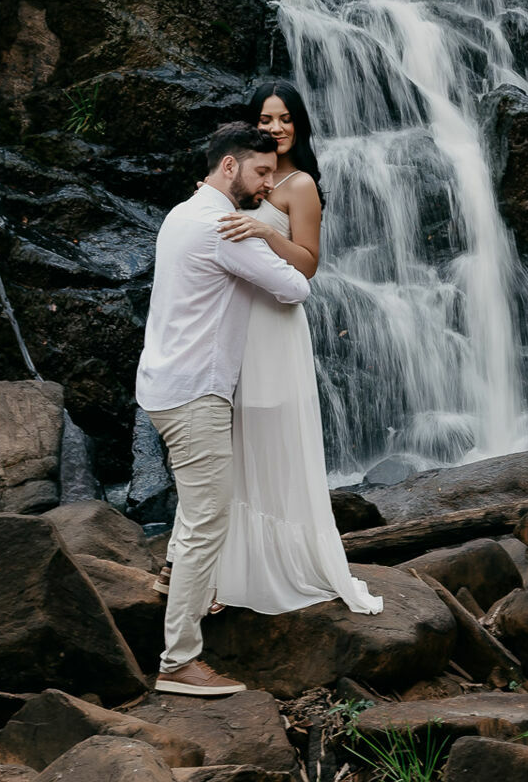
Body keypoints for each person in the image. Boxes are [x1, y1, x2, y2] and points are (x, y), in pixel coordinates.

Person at [135, 123, 312, 697]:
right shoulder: (222, 227)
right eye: (261, 172)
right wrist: (265, 234)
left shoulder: (180, 214)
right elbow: (294, 288)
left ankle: (178, 583)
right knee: (208, 516)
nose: (268, 186)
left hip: (166, 385)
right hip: (194, 393)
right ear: (230, 167)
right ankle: (179, 660)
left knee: (198, 506)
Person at [213, 79, 384, 616]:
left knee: (273, 431)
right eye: (266, 119)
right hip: (239, 321)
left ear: (298, 124)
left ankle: (284, 562)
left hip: (278, 322)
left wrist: (264, 234)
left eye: (285, 118)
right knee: (239, 438)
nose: (276, 128)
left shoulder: (300, 185)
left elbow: (309, 263)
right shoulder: (248, 179)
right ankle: (235, 565)